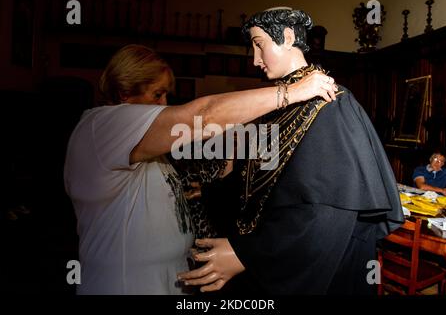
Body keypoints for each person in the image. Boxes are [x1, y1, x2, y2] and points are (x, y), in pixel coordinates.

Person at [63, 44, 337, 294]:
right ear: (124, 93)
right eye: (157, 94)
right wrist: (292, 92)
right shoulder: (104, 126)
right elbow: (203, 115)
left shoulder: (139, 146)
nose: (164, 105)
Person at [178, 7, 404, 295]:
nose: (255, 60)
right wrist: (212, 192)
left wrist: (248, 254)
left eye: (259, 45)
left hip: (313, 268)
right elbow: (258, 179)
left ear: (286, 37)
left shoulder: (333, 104)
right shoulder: (275, 105)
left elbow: (328, 212)